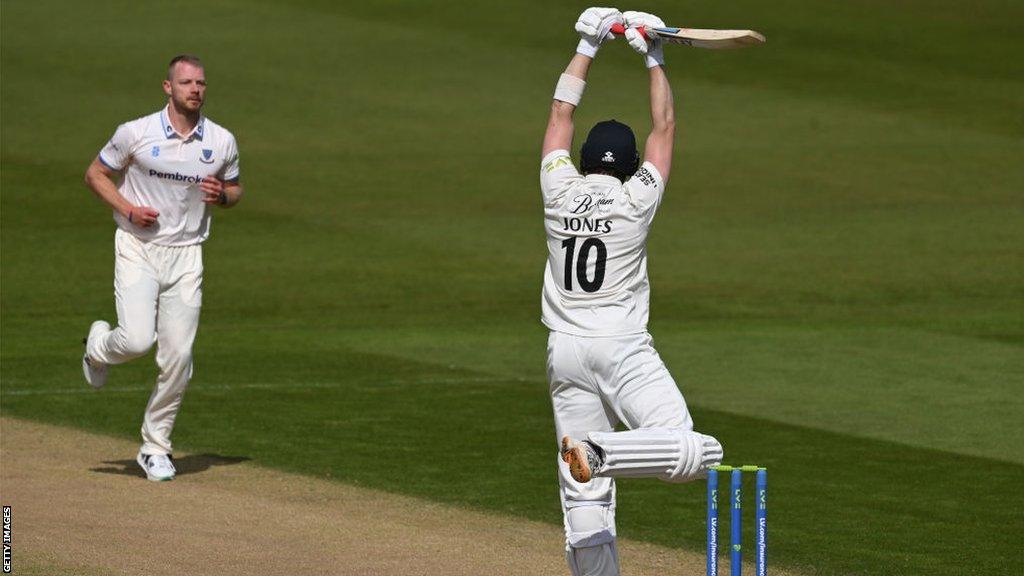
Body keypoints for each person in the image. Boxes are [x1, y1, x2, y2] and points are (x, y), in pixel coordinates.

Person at [540, 8, 724, 575]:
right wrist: (653, 54)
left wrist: (587, 43)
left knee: (584, 498)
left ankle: (591, 460)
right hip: (619, 346)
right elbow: (664, 129)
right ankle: (602, 453)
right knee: (697, 452)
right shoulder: (634, 202)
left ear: (586, 162)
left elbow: (560, 113)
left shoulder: (557, 189)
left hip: (564, 352)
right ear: (630, 167)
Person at [81, 54, 243, 482]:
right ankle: (97, 348)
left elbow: (234, 187)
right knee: (135, 340)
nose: (196, 89)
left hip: (188, 254)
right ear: (168, 87)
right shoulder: (136, 133)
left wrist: (222, 196)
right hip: (138, 245)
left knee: (179, 358)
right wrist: (129, 209)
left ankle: (155, 447)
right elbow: (95, 175)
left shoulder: (222, 140)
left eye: (202, 83)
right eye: (187, 82)